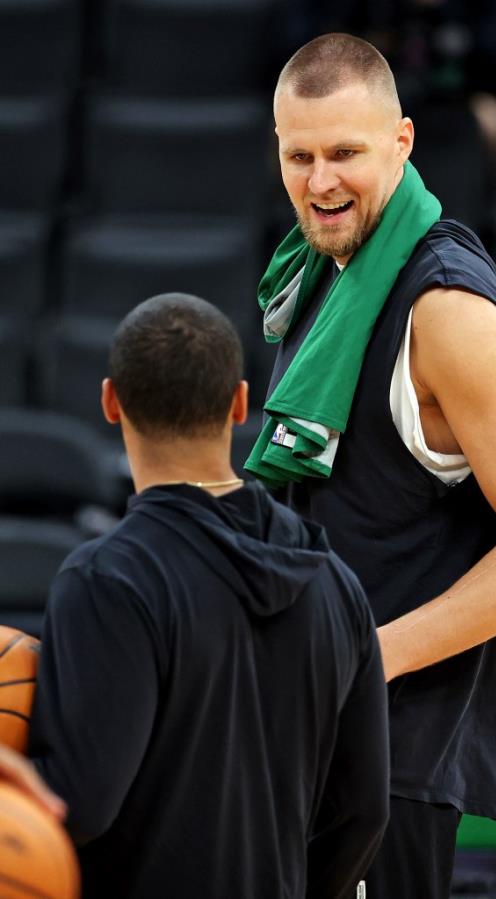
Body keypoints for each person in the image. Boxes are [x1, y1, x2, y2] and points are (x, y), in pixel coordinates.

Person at [245, 33, 496, 899]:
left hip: (390, 761)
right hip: (313, 736)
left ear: (401, 142)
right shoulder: (323, 268)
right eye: (300, 155)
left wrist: (366, 655)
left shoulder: (447, 310)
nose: (320, 180)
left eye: (345, 154)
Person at [28, 293, 389, 899]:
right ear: (241, 402)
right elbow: (364, 811)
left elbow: (80, 808)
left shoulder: (105, 579)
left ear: (111, 402)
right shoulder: (334, 581)